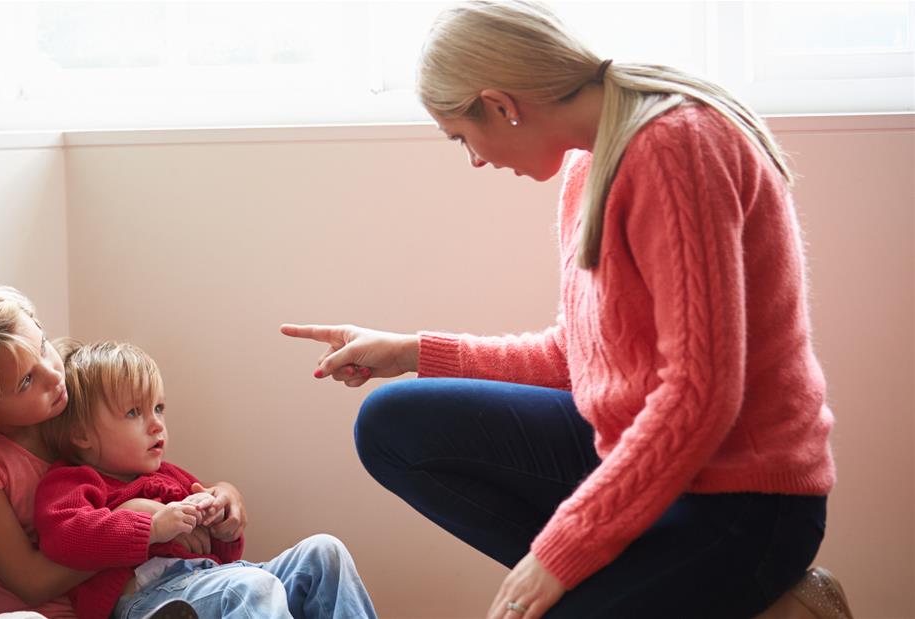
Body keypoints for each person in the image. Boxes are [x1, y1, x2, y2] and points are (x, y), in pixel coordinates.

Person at [281, 2, 852, 618]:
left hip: (742, 496)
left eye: (460, 135)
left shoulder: (676, 148)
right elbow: (578, 356)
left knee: (547, 602)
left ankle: (758, 594)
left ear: (501, 105)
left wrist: (558, 555)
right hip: (646, 454)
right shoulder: (589, 164)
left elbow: (701, 395)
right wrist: (411, 351)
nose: (473, 159)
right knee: (392, 423)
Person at [0, 287, 211, 619]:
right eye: (25, 381)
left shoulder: (64, 412)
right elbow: (30, 581)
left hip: (106, 598)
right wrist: (134, 522)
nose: (53, 374)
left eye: (43, 345)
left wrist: (214, 504)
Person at [33, 340, 379, 619]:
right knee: (250, 586)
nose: (156, 424)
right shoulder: (73, 481)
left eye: (158, 409)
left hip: (210, 580)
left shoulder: (170, 477)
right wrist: (151, 527)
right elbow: (65, 539)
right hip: (147, 601)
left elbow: (223, 555)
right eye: (133, 413)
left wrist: (223, 522)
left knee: (324, 551)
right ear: (81, 435)